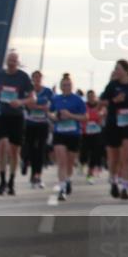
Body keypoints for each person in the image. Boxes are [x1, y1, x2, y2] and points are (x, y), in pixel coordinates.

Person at [99, 60, 128, 200]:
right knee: (114, 158)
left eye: (118, 68)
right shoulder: (112, 85)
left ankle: (125, 187)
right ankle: (113, 181)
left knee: (127, 157)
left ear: (125, 70)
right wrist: (114, 100)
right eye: (115, 69)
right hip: (113, 124)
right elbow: (101, 103)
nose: (116, 71)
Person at [0, 51, 34, 196]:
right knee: (2, 146)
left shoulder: (23, 77)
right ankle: (2, 180)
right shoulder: (0, 75)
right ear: (6, 61)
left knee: (15, 151)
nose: (12, 63)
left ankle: (11, 181)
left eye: (14, 60)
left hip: (17, 117)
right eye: (10, 60)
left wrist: (20, 102)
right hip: (2, 115)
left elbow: (32, 98)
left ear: (18, 62)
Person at [49, 73, 87, 202]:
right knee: (62, 162)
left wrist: (71, 115)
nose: (66, 87)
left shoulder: (78, 100)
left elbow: (85, 117)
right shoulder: (56, 99)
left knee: (70, 163)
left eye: (69, 85)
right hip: (60, 133)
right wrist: (55, 117)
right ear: (61, 86)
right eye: (64, 85)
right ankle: (62, 188)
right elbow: (50, 113)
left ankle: (68, 179)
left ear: (72, 86)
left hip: (73, 134)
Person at [24, 70, 53, 189]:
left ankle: (38, 176)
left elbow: (49, 107)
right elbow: (29, 105)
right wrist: (41, 107)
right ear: (32, 79)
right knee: (31, 149)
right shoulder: (28, 91)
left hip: (43, 124)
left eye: (39, 77)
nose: (37, 79)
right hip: (30, 123)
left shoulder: (47, 91)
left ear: (41, 79)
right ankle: (30, 170)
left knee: (41, 150)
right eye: (34, 77)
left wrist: (38, 107)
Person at [81, 90, 105, 183]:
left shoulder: (99, 105)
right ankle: (82, 163)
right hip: (85, 132)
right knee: (84, 152)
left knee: (95, 153)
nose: (91, 97)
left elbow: (103, 112)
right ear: (87, 97)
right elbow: (81, 115)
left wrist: (101, 115)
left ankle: (90, 173)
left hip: (97, 132)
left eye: (93, 96)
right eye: (89, 96)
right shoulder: (84, 106)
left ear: (95, 96)